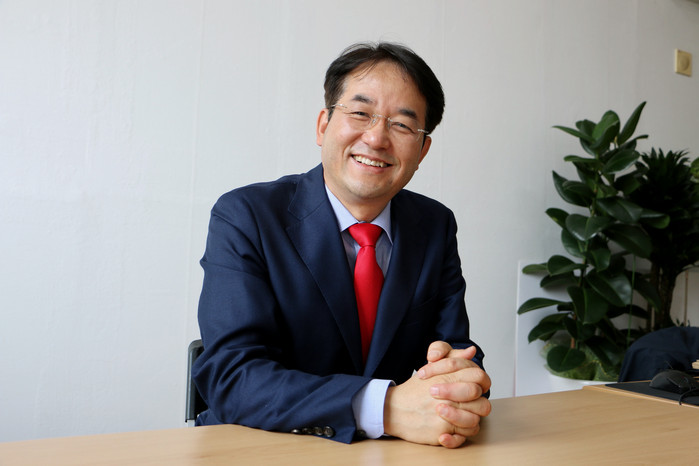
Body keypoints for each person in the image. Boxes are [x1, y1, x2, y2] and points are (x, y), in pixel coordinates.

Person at [193, 41, 491, 449]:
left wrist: (458, 383)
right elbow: (231, 377)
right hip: (261, 448)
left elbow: (456, 351)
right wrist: (384, 407)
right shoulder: (246, 216)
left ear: (423, 150)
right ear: (323, 126)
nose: (377, 137)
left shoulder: (434, 225)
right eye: (360, 113)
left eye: (402, 126)